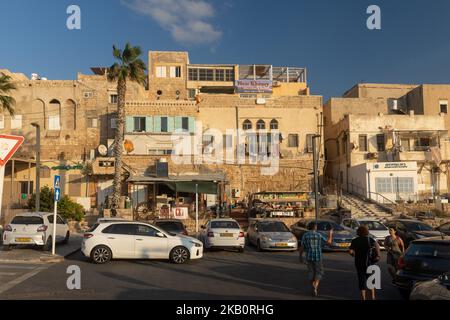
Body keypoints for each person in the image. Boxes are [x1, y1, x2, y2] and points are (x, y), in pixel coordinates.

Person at [299, 222, 334, 297]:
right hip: (318, 257)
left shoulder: (305, 235)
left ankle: (313, 287)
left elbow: (302, 247)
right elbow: (329, 243)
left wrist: (300, 256)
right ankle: (315, 285)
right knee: (319, 272)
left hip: (309, 256)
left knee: (311, 272)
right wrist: (330, 234)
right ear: (315, 227)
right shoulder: (318, 235)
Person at [349, 226, 381, 300]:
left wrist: (353, 254)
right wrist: (378, 255)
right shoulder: (370, 239)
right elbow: (377, 245)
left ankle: (363, 298)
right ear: (366, 231)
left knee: (361, 281)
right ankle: (372, 297)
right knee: (370, 280)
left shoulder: (355, 241)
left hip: (359, 263)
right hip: (369, 262)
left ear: (358, 232)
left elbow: (350, 251)